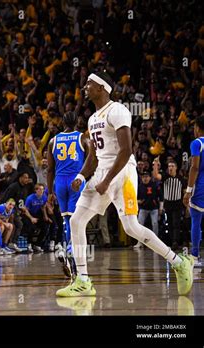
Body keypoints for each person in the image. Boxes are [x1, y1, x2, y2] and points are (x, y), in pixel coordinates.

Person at [56, 72, 193, 297]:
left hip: (123, 172)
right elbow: (94, 154)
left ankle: (178, 262)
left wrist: (107, 181)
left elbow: (126, 150)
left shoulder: (118, 110)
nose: (85, 87)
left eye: (90, 83)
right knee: (77, 220)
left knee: (130, 227)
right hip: (101, 172)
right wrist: (81, 176)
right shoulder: (92, 119)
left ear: (103, 88)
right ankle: (83, 280)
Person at [47, 111, 88, 277]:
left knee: (67, 219)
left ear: (62, 122)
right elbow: (92, 160)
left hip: (60, 181)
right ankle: (70, 251)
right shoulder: (82, 137)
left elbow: (49, 169)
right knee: (78, 220)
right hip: (75, 180)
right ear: (77, 121)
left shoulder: (52, 141)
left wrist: (50, 192)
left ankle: (67, 250)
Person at [183, 115, 204, 267]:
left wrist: (188, 190)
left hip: (200, 186)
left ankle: (195, 257)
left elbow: (195, 167)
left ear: (198, 128)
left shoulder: (196, 143)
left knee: (196, 221)